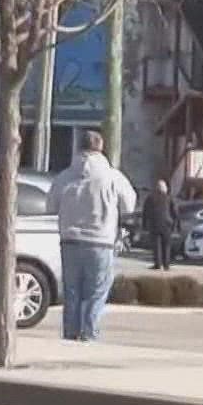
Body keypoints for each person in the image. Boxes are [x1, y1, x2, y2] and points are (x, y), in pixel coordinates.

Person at [43, 130, 136, 342]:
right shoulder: (112, 176)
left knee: (72, 291)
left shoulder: (65, 176)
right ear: (100, 147)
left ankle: (70, 333)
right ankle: (89, 332)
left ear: (79, 147)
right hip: (100, 240)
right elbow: (129, 204)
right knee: (96, 291)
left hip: (69, 239)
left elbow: (50, 205)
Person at [141, 178, 178, 271]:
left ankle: (157, 264)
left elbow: (145, 212)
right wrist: (176, 225)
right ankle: (166, 265)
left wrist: (144, 224)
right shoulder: (169, 198)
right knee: (166, 245)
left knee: (156, 245)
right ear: (165, 188)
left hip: (154, 224)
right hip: (167, 224)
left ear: (156, 188)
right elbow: (175, 212)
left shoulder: (150, 198)